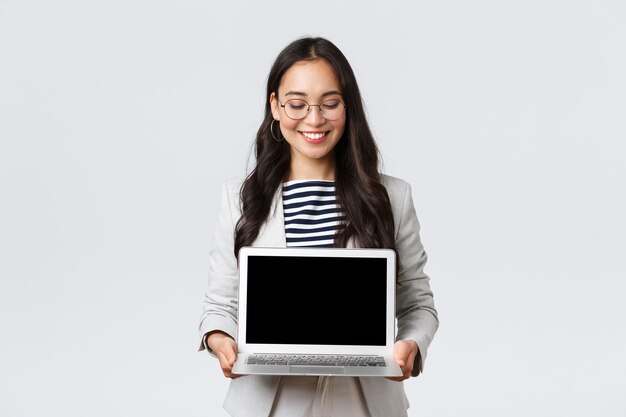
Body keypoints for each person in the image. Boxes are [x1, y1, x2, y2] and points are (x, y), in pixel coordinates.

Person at [198, 36, 439, 417]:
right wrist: (219, 339)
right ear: (275, 107)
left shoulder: (393, 197)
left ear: (348, 107)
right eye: (297, 104)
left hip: (363, 401)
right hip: (271, 403)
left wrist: (411, 344)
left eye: (330, 104)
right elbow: (219, 304)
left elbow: (418, 303)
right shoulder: (240, 198)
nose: (314, 119)